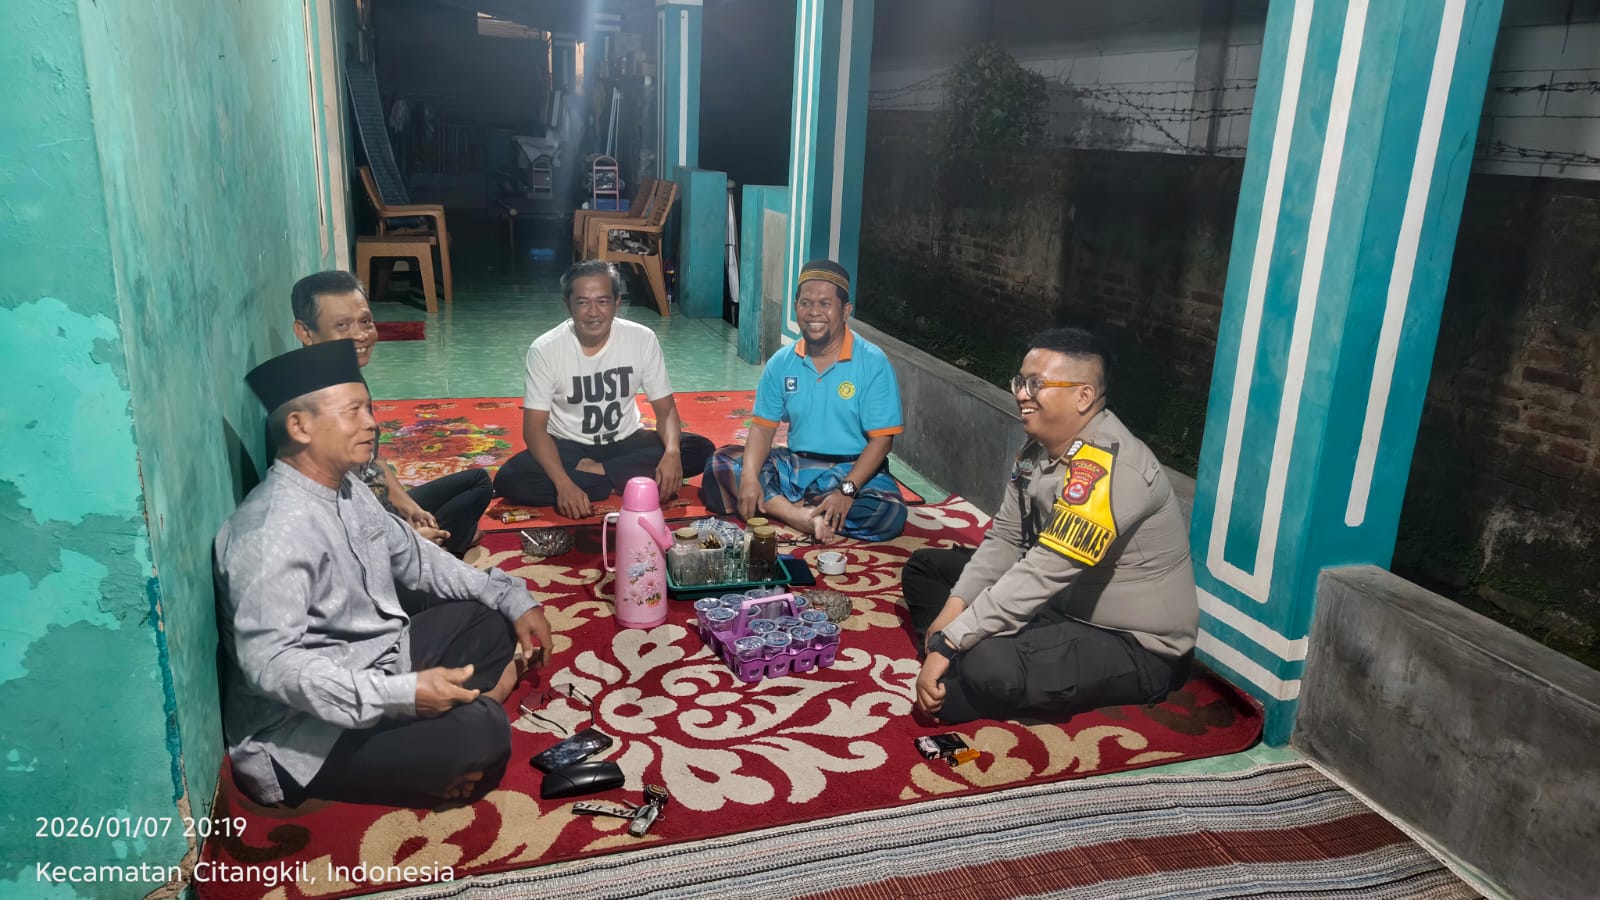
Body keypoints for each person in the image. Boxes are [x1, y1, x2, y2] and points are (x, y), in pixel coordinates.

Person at [216, 340, 553, 809]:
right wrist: (402, 695)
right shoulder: (272, 532)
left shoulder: (347, 488)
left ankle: (439, 736)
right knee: (483, 734)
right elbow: (273, 668)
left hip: (380, 664)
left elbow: (420, 559)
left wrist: (512, 595)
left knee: (491, 617)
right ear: (300, 426)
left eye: (368, 409)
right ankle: (459, 727)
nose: (372, 423)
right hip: (305, 733)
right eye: (353, 411)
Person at [903, 327, 1197, 723]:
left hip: (1132, 643)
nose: (1022, 394)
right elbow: (1007, 538)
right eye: (1020, 381)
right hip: (1057, 602)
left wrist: (953, 640)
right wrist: (954, 609)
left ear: (1083, 396)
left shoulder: (1109, 469)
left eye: (1036, 384)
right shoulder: (1037, 449)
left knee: (987, 661)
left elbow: (1044, 570)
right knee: (925, 569)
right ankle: (963, 664)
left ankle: (965, 682)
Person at [700, 259, 907, 542]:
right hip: (797, 467)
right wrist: (748, 479)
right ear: (796, 307)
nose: (814, 313)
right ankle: (799, 515)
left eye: (825, 304)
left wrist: (846, 492)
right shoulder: (782, 362)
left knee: (888, 514)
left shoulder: (873, 362)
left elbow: (882, 441)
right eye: (805, 303)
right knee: (721, 462)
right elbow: (762, 429)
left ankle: (786, 505)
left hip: (853, 469)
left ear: (845, 311)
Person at [493, 260, 715, 518]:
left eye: (603, 301)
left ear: (617, 302)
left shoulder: (642, 338)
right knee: (510, 479)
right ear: (567, 304)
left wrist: (673, 453)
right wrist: (563, 484)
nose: (593, 312)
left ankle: (597, 477)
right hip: (568, 447)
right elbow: (534, 431)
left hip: (626, 441)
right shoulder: (544, 350)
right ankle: (623, 478)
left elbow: (665, 411)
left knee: (699, 449)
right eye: (583, 302)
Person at [291, 270, 491, 557]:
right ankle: (425, 556)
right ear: (305, 333)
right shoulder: (309, 414)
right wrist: (405, 538)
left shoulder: (346, 376)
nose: (361, 335)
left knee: (478, 483)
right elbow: (334, 521)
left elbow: (373, 463)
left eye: (365, 321)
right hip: (356, 540)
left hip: (378, 509)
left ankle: (434, 548)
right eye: (342, 325)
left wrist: (409, 507)